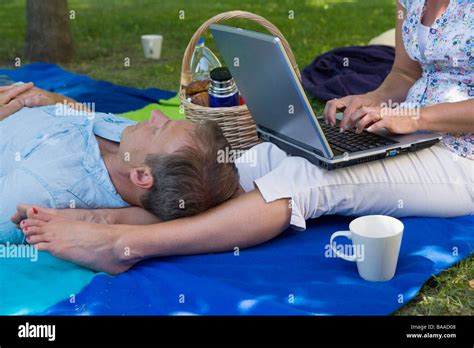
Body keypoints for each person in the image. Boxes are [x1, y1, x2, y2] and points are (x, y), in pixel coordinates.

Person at [8, 0, 474, 274]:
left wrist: (414, 117)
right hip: (413, 129)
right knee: (244, 163)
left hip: (461, 157)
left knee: (308, 179)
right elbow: (404, 70)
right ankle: (108, 220)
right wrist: (373, 101)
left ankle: (123, 246)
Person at [0, 83, 239, 243]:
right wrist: (56, 100)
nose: (154, 115)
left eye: (159, 129)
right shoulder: (131, 145)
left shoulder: (45, 192)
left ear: (142, 177)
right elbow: (86, 119)